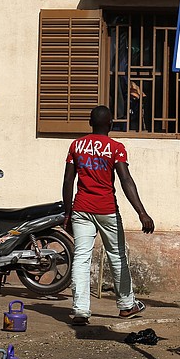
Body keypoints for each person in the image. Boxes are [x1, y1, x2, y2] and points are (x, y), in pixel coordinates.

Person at [63, 105, 155, 326]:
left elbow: (68, 182)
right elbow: (126, 180)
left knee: (81, 259)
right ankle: (126, 305)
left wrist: (68, 213)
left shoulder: (76, 145)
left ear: (90, 122)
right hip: (107, 210)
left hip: (81, 209)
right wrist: (142, 213)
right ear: (111, 124)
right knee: (117, 256)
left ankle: (80, 311)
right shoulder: (116, 148)